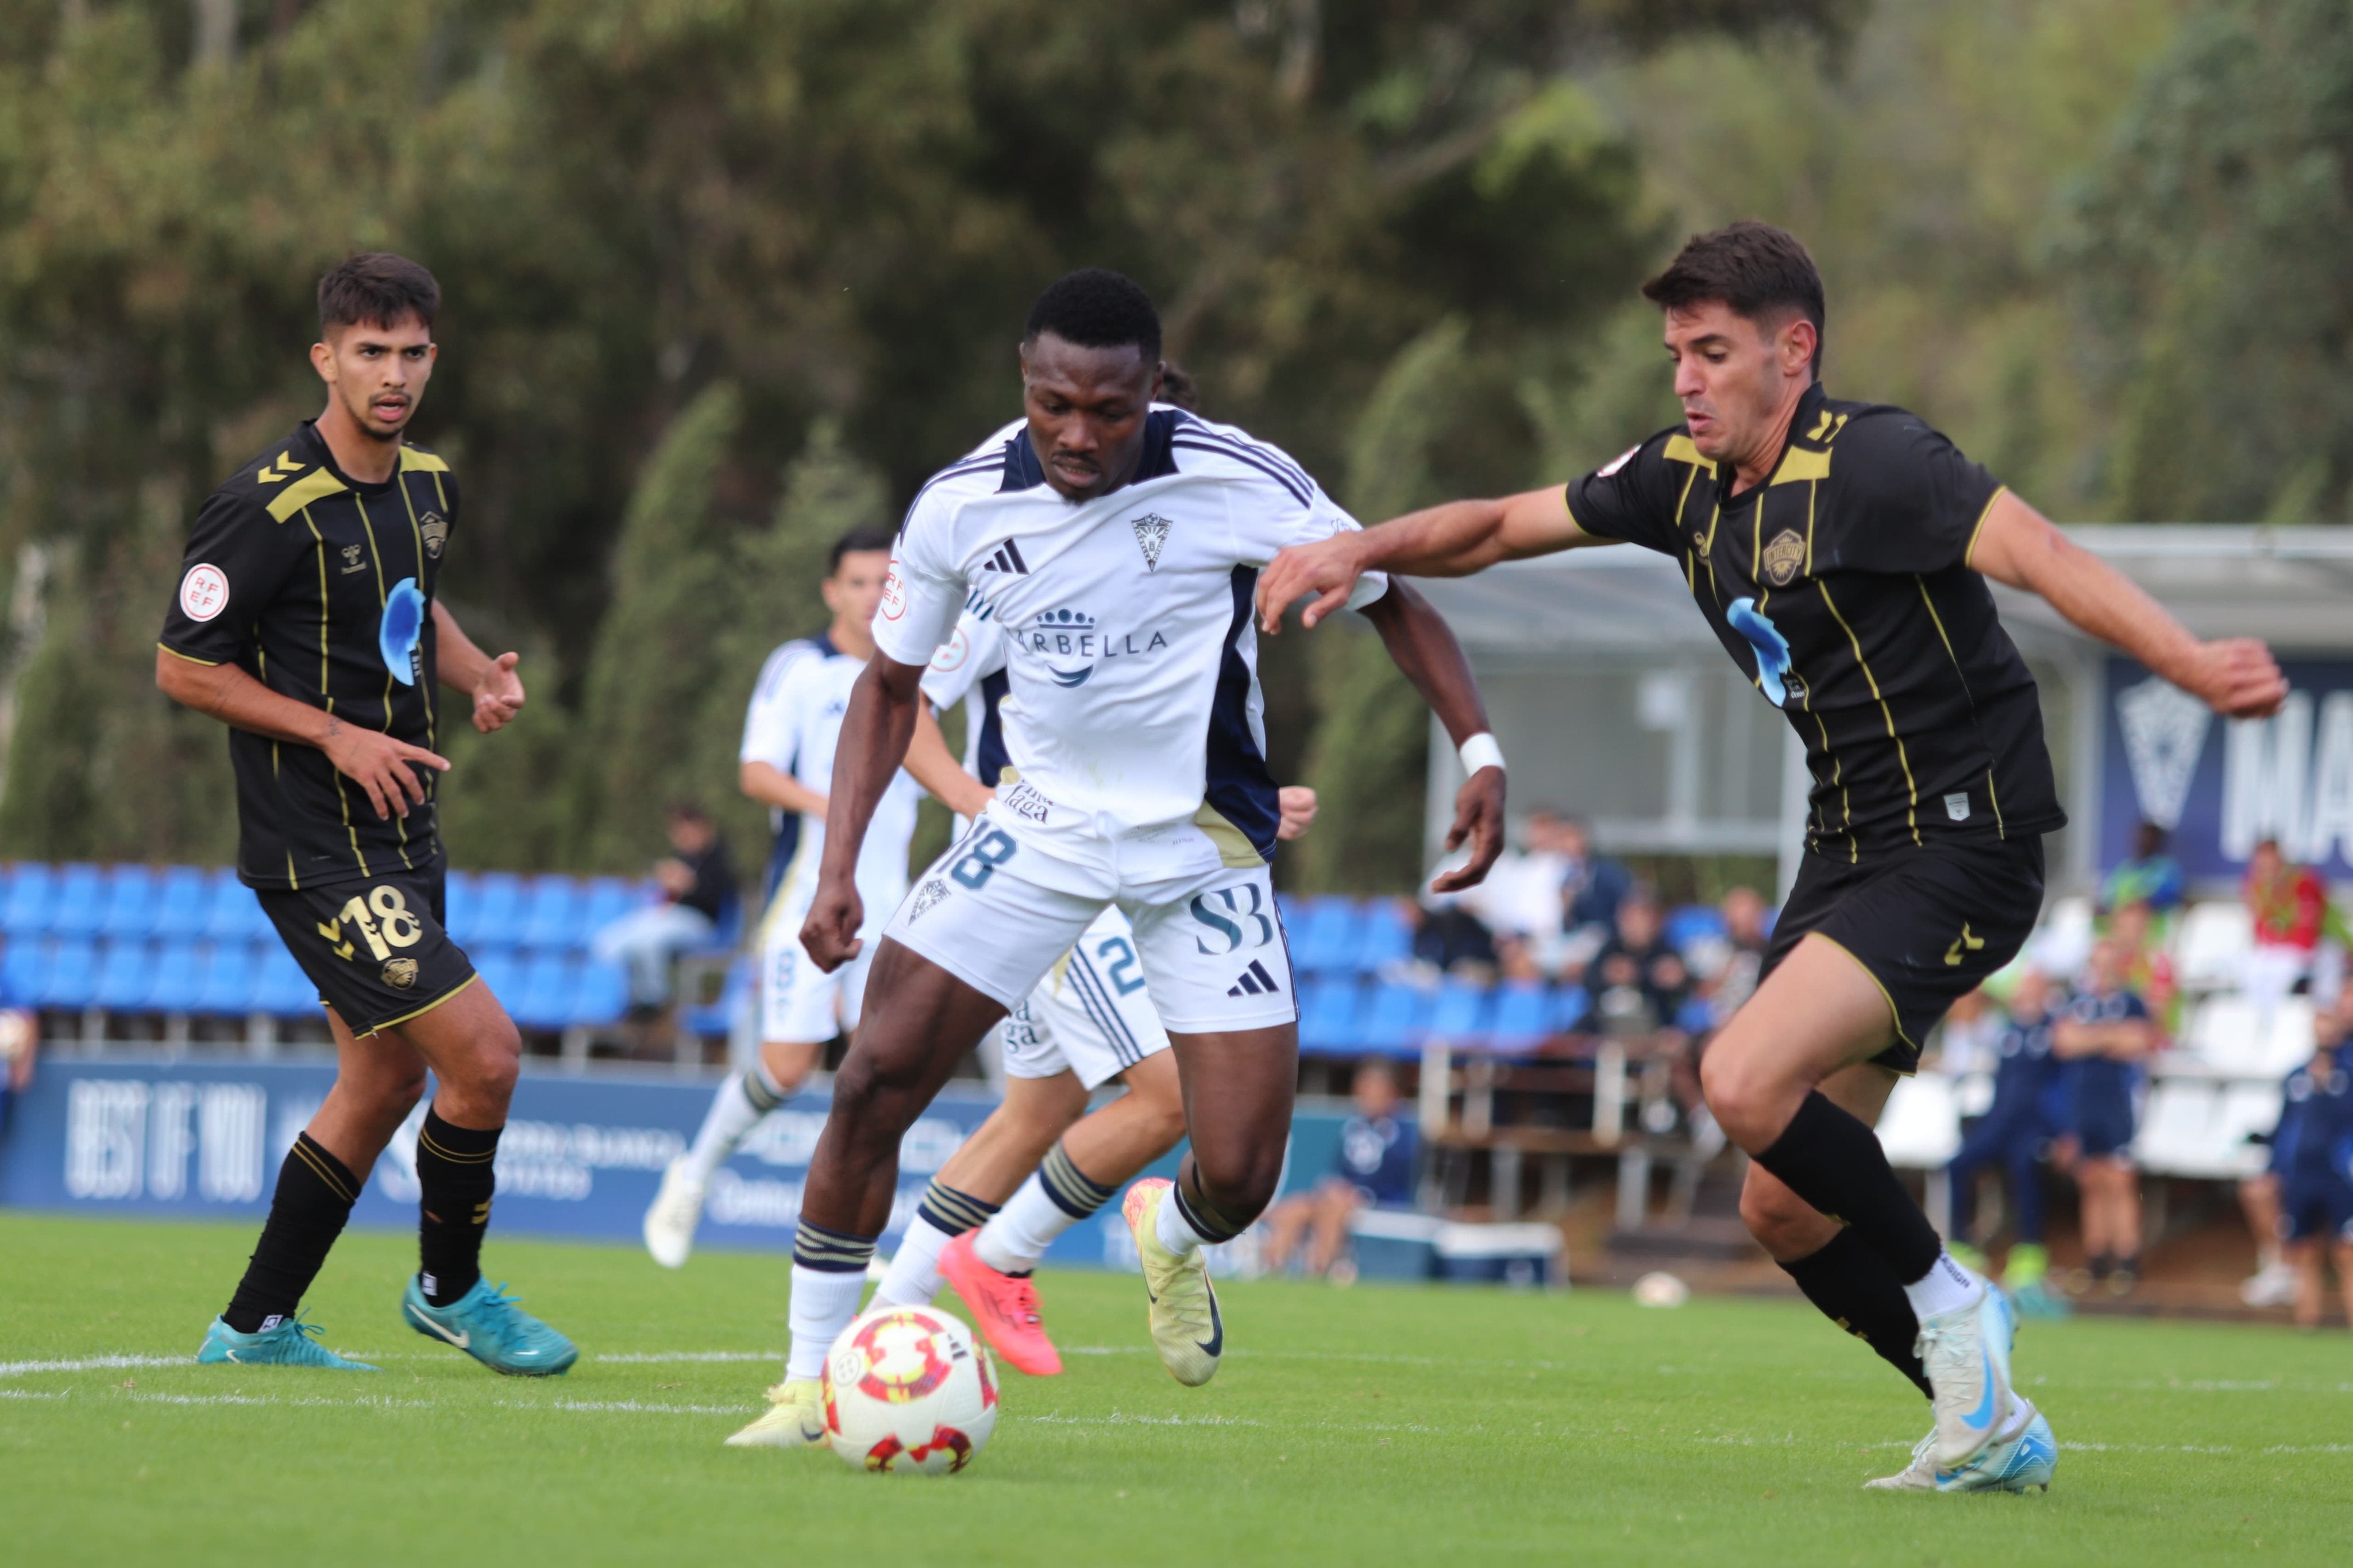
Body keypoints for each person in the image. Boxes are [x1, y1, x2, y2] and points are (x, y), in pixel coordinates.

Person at [1253, 220, 2286, 1493]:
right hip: (1844, 851)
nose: (1684, 378)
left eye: (1711, 351)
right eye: (1674, 352)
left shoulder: (1878, 462)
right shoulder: (1678, 481)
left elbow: (2046, 558)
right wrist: (1362, 547)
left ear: (1791, 354)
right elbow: (1493, 529)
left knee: (1737, 1077)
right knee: (1779, 1207)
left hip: (1964, 841)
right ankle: (1985, 1422)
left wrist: (2184, 662)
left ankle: (1952, 1300)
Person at [727, 268, 1503, 1450]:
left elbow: (1392, 597)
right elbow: (887, 692)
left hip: (1201, 851)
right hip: (1037, 831)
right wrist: (835, 873)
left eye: (1110, 409)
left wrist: (1479, 752)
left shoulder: (1239, 478)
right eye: (1054, 407)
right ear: (1024, 388)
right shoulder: (958, 506)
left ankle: (1173, 1233)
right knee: (873, 1076)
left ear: (1152, 389)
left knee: (1240, 1171)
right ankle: (802, 1382)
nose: (1079, 434)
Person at [155, 253, 574, 1374]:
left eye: (412, 355)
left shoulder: (427, 484)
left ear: (433, 359)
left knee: (383, 1080)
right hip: (314, 843)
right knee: (484, 1057)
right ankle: (451, 1289)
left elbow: (410, 614)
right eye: (370, 353)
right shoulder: (264, 506)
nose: (393, 375)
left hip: (402, 831)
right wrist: (332, 733)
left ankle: (251, 1329)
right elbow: (183, 666)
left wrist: (479, 672)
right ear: (325, 359)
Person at [838, 596, 1320, 1393]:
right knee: (1166, 1094)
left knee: (1035, 1112)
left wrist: (1254, 801)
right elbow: (906, 702)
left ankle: (866, 1343)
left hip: (1121, 868)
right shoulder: (1022, 571)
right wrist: (980, 805)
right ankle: (1006, 1256)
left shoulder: (1158, 569)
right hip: (1050, 872)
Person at [641, 527, 927, 1267]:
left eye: (885, 583)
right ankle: (693, 1175)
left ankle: (850, 1236)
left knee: (879, 1076)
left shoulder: (919, 671)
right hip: (810, 894)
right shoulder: (801, 668)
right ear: (833, 591)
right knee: (788, 1068)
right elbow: (757, 772)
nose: (873, 598)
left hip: (894, 905)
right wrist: (839, 805)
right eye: (858, 583)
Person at [1942, 975, 2063, 1309]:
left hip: (2036, 1123)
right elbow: (1966, 1032)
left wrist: (2061, 1129)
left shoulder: (2056, 1030)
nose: (2026, 995)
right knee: (1957, 1165)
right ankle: (1963, 1246)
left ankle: (2029, 1252)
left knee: (2026, 1169)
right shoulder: (2006, 1030)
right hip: (2000, 1120)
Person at [2052, 939, 2156, 1295]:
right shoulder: (2076, 1003)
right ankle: (2096, 1260)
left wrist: (2089, 1039)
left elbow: (2139, 1042)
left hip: (2118, 1103)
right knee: (2091, 1180)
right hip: (2083, 1105)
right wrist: (2110, 1037)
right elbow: (2064, 1043)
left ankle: (2127, 1261)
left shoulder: (2131, 1001)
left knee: (2120, 1180)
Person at [1261, 1060, 1420, 1280]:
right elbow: (1342, 1170)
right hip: (1343, 1195)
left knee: (1336, 1205)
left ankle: (1318, 1269)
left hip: (1378, 1200)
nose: (1366, 1095)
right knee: (1295, 1207)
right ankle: (1271, 1270)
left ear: (1391, 1092)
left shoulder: (1401, 1130)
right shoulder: (1354, 1126)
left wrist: (1352, 1192)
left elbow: (1396, 1176)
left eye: (1373, 1088)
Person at [589, 802, 738, 1014]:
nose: (684, 837)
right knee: (607, 943)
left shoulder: (718, 859)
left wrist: (690, 885)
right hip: (665, 917)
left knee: (650, 942)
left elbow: (716, 895)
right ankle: (626, 1000)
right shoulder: (678, 859)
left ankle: (655, 1002)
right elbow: (662, 897)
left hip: (699, 923)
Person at [2271, 992, 2353, 1329]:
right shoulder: (2296, 1076)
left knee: (2346, 1252)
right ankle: (2308, 1324)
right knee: (2303, 1250)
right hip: (2301, 1174)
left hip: (2339, 1175)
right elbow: (2283, 1125)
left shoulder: (2347, 1076)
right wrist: (2274, 1167)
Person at [1584, 890, 1692, 1038]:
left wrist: (1678, 980)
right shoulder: (1612, 949)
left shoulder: (1665, 952)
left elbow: (1684, 988)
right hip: (1610, 1027)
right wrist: (1607, 976)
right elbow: (1590, 982)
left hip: (1655, 1026)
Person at [2099, 821, 2184, 917]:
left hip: (2154, 923)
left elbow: (2170, 895)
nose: (2144, 842)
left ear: (2158, 842)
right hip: (2121, 922)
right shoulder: (2125, 868)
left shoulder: (2167, 868)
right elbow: (2109, 897)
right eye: (2141, 837)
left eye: (2149, 838)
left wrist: (2142, 905)